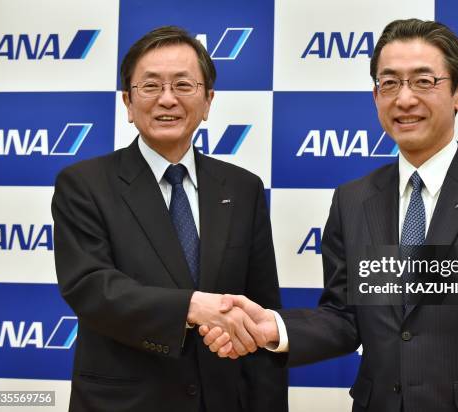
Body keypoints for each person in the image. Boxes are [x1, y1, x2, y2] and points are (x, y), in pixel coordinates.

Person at [201, 19, 458, 412]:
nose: (404, 99)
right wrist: (275, 328)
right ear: (375, 96)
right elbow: (345, 317)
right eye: (389, 83)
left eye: (424, 81)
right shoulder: (354, 200)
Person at [52, 26, 287, 412]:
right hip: (125, 401)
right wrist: (193, 307)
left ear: (208, 101)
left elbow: (261, 309)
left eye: (183, 85)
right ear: (128, 103)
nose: (167, 100)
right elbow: (92, 288)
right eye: (150, 87)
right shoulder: (84, 185)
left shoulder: (243, 188)